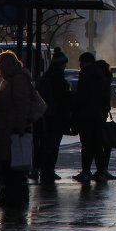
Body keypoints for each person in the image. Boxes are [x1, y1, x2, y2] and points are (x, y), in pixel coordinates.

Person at [0, 50, 36, 207]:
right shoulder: (10, 79)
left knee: (15, 165)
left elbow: (22, 103)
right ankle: (10, 194)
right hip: (8, 127)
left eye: (1, 64)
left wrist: (21, 127)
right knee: (10, 165)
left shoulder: (17, 79)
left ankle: (15, 196)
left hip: (14, 129)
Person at [35, 48, 71, 184]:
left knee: (45, 143)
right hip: (56, 116)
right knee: (53, 145)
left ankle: (44, 169)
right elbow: (63, 99)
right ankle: (48, 171)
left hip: (45, 115)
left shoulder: (45, 77)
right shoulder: (58, 79)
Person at [72, 52, 109, 183]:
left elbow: (82, 96)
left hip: (87, 115)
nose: (80, 65)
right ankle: (100, 171)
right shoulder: (100, 75)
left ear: (86, 63)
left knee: (87, 145)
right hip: (98, 115)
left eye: (81, 62)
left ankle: (86, 171)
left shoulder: (86, 75)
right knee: (97, 145)